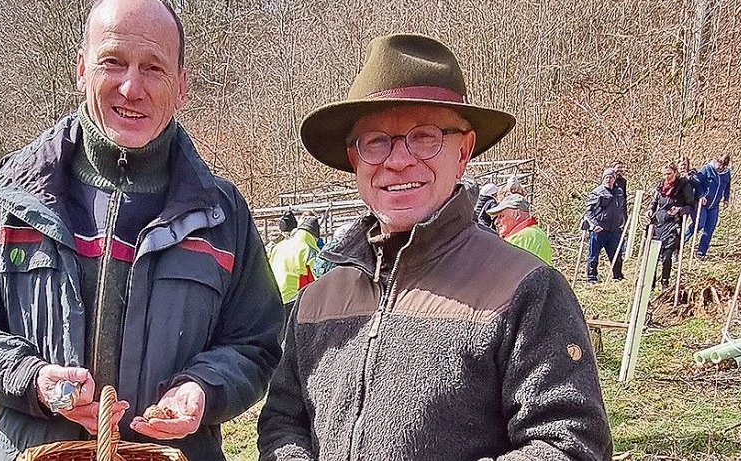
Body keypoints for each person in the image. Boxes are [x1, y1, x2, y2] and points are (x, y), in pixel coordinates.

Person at [0, 1, 283, 460]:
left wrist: (203, 387)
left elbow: (257, 341)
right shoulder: (8, 197)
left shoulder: (222, 214)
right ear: (81, 69)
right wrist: (28, 376)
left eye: (154, 67)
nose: (132, 88)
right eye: (114, 62)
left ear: (182, 85)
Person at [257, 33, 612, 460]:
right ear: (355, 159)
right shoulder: (318, 299)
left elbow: (570, 444)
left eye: (423, 137)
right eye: (375, 141)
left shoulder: (527, 290)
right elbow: (282, 422)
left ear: (463, 152)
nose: (398, 160)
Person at [646, 163, 694, 286]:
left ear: (675, 172)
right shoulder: (661, 184)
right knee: (654, 253)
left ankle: (665, 281)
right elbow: (655, 201)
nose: (667, 176)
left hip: (674, 223)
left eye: (669, 174)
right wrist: (651, 209)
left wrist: (680, 210)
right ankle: (650, 281)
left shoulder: (684, 185)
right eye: (665, 174)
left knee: (667, 255)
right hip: (658, 222)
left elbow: (690, 205)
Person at [584, 168, 627, 283]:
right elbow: (589, 212)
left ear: (614, 179)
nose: (608, 179)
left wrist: (622, 222)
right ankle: (592, 277)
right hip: (599, 230)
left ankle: (618, 276)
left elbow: (622, 208)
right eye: (606, 177)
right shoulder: (597, 192)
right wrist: (595, 225)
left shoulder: (619, 192)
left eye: (611, 177)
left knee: (616, 255)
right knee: (594, 256)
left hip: (614, 230)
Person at [684, 153, 731, 257]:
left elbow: (727, 186)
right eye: (719, 163)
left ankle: (701, 251)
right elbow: (697, 182)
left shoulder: (727, 173)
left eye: (723, 165)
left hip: (714, 205)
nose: (720, 166)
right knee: (699, 224)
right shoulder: (707, 169)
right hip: (702, 203)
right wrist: (701, 195)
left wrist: (726, 198)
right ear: (716, 161)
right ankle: (682, 241)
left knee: (710, 228)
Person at [268, 216, 320, 307]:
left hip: (273, 296)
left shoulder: (278, 246)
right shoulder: (309, 249)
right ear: (314, 237)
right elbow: (318, 275)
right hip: (293, 298)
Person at [486, 193, 553, 264]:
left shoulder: (519, 238)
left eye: (501, 216)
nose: (496, 222)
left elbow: (498, 268)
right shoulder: (538, 232)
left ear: (517, 215)